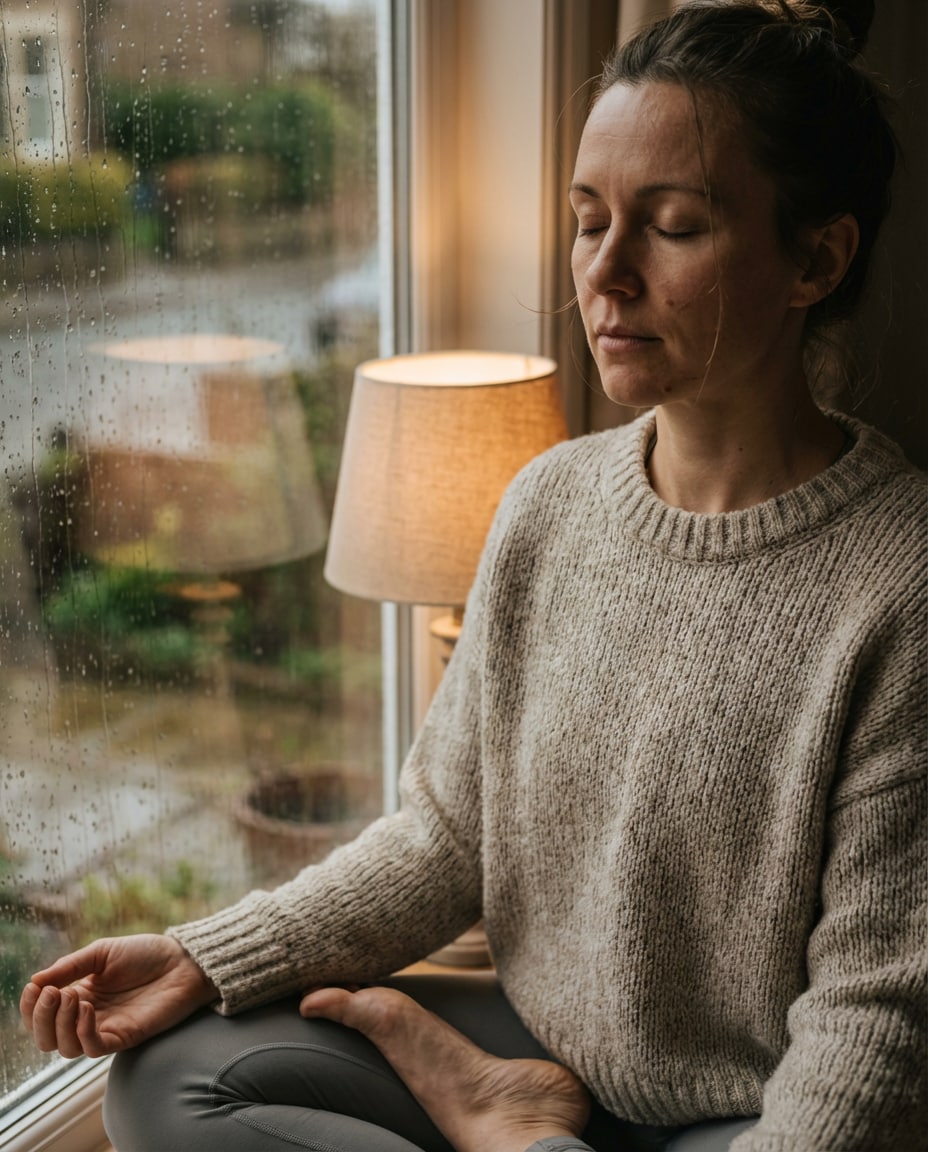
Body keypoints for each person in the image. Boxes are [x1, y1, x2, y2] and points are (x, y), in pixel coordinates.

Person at [21, 1, 926, 1149]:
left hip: (743, 1113)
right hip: (530, 1034)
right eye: (587, 220)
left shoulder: (900, 583)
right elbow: (445, 840)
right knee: (167, 1082)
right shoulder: (549, 504)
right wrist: (206, 954)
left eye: (676, 226)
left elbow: (868, 1019)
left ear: (815, 258)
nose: (605, 272)